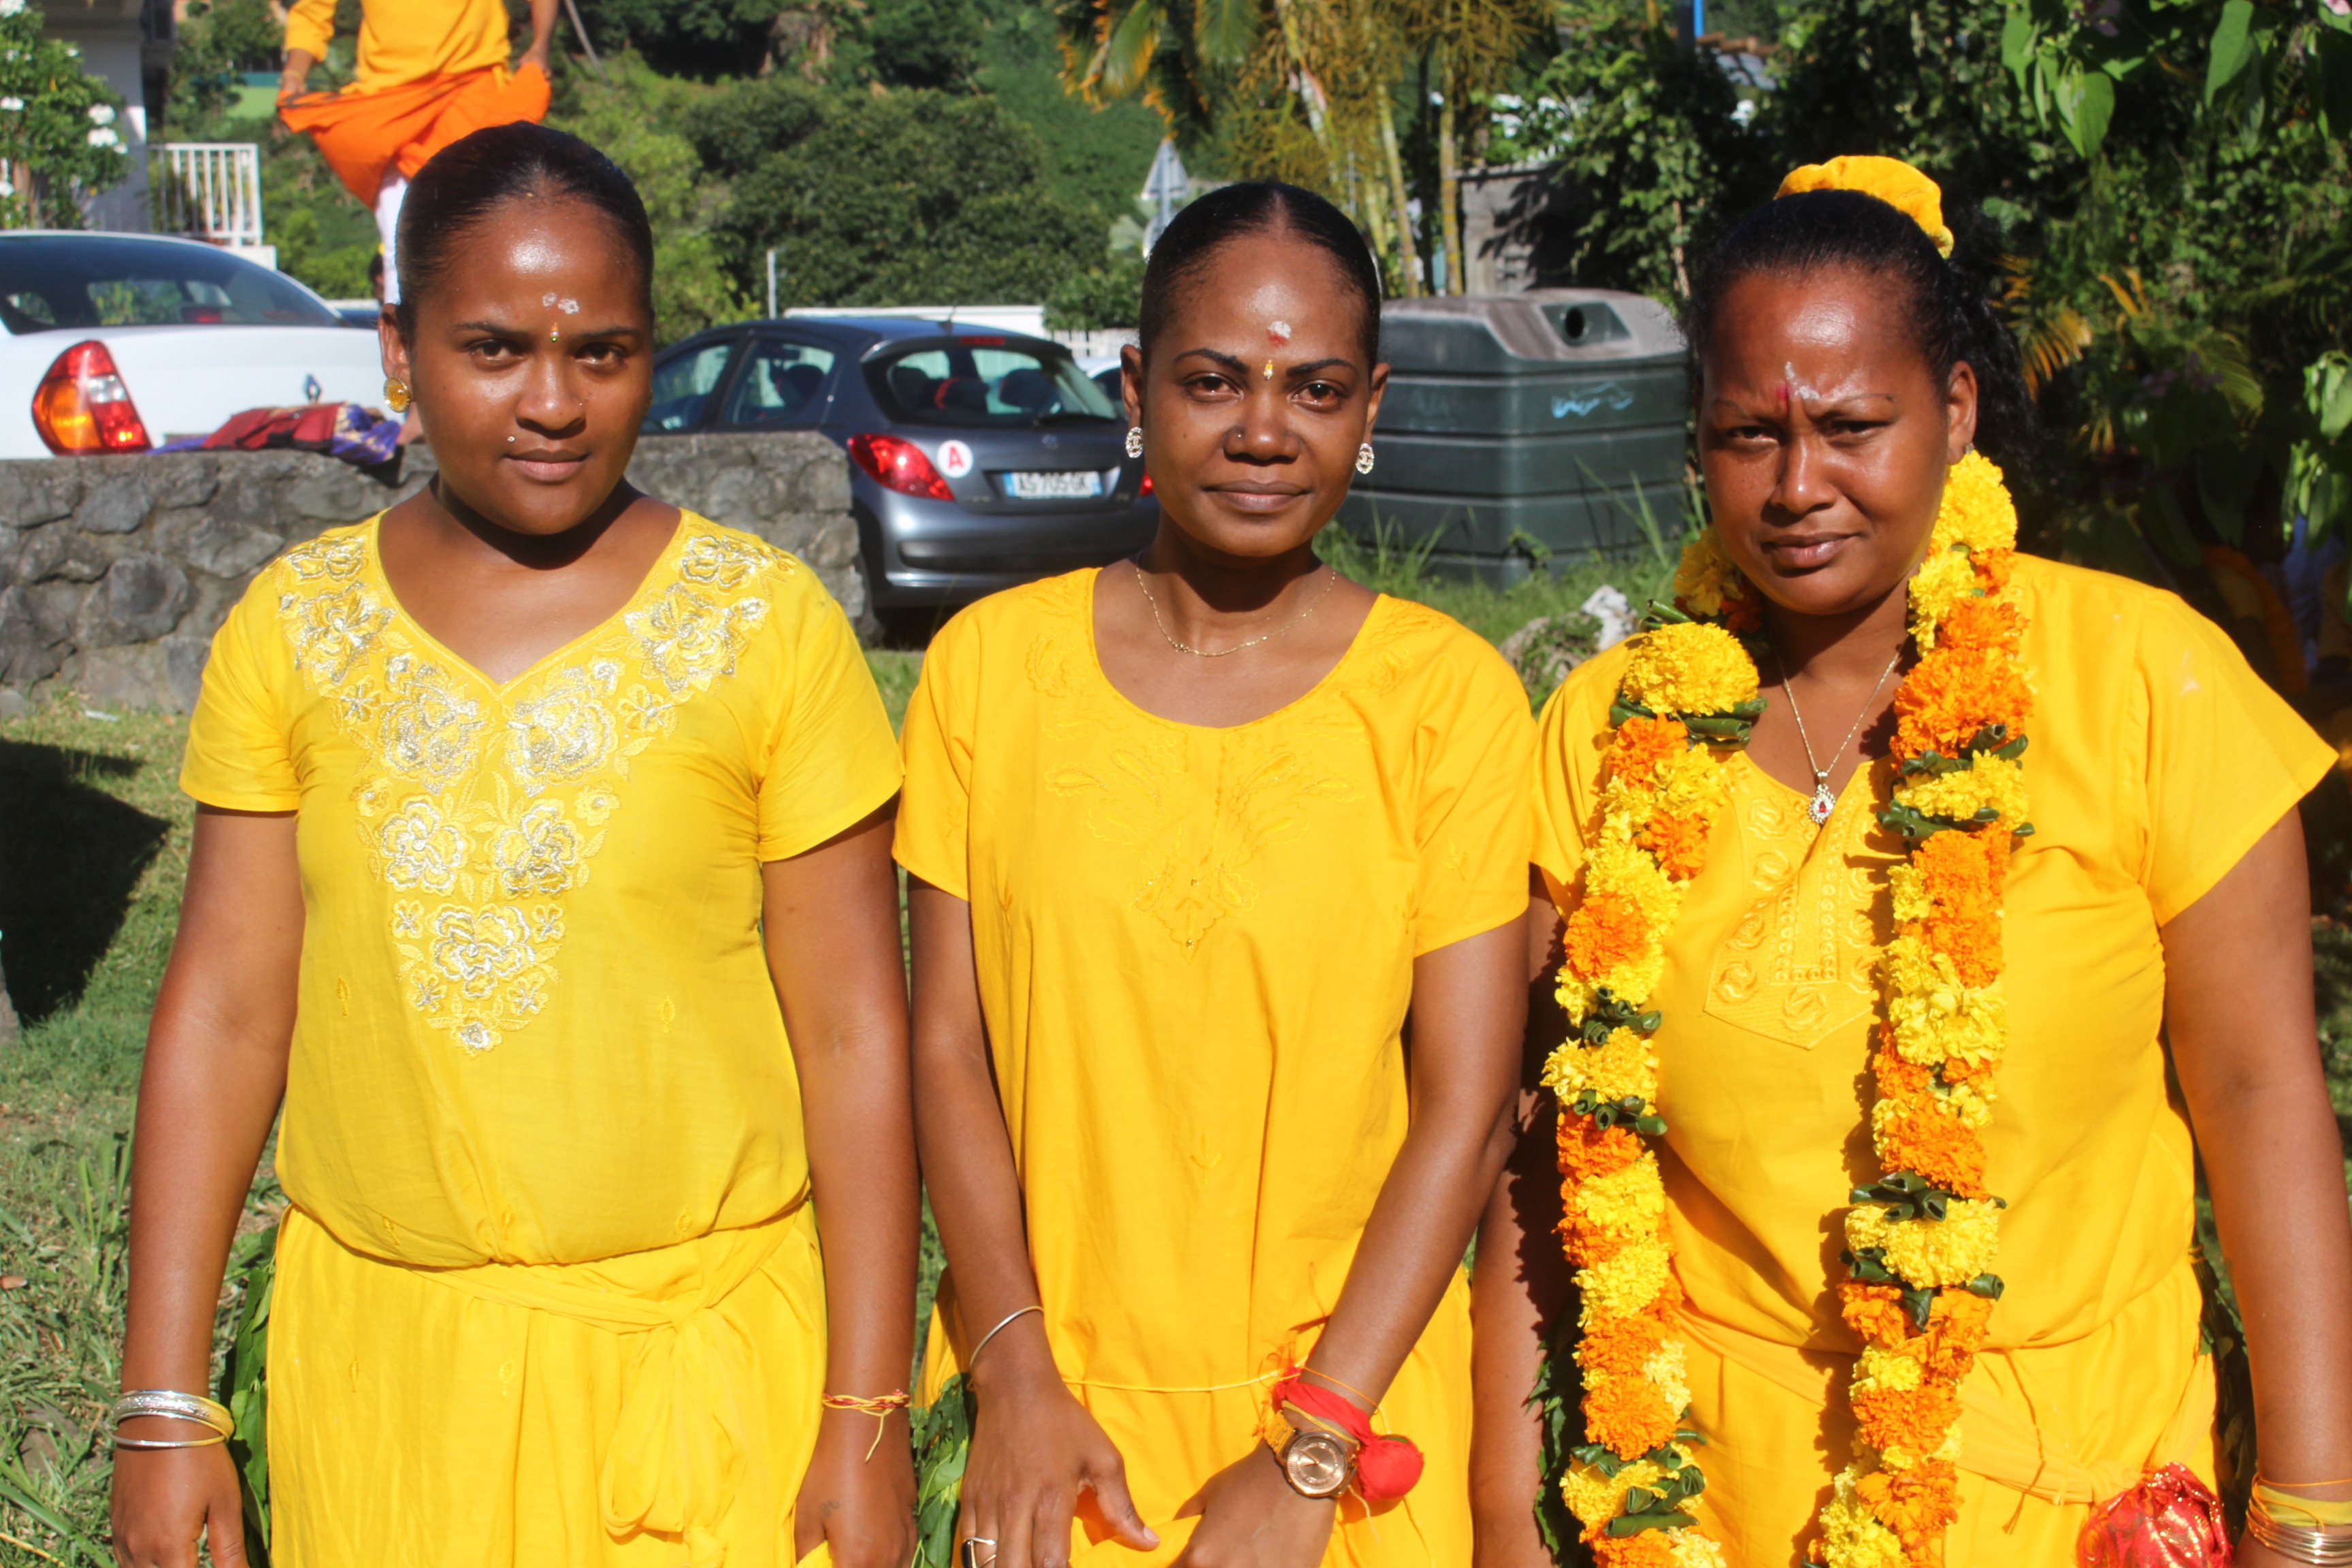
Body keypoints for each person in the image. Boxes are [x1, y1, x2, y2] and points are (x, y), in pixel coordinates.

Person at [1471, 156, 2352, 1568]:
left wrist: (2310, 1519)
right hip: (1698, 1504)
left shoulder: (2140, 682)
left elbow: (2260, 1097)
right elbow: (1530, 1140)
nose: (1798, 484)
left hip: (2071, 1497)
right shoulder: (1606, 731)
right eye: (1749, 435)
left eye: (1852, 424)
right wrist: (1507, 1531)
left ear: (1955, 412)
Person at [108, 122, 919, 1568]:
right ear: (397, 352)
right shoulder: (295, 631)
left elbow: (857, 1035)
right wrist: (166, 1407)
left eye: (600, 353)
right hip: (388, 1397)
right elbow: (227, 1015)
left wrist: (866, 1407)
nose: (552, 402)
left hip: (703, 1379)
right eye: (493, 350)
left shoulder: (765, 627)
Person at [899, 181, 1535, 1568]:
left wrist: (1312, 1451)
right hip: (1061, 1440)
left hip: (1348, 1448)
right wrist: (1012, 1373)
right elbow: (946, 1045)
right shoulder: (989, 675)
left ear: (1369, 410)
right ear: (1136, 391)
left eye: (1314, 389)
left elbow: (1468, 1105)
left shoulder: (1446, 702)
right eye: (1213, 382)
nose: (1263, 431)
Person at [278, 0, 556, 304]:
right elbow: (312, 10)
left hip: (472, 101)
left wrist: (540, 47)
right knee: (404, 253)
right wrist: (294, 75)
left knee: (487, 244)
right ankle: (405, 347)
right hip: (391, 111)